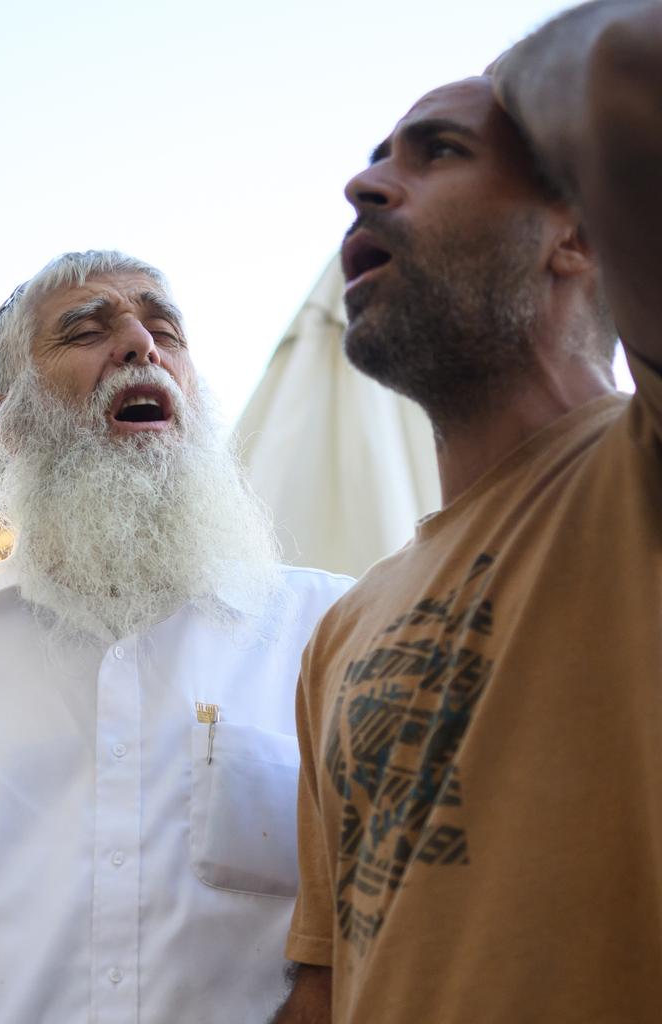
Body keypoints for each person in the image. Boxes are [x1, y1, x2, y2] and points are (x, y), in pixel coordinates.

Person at [272, 2, 662, 1021]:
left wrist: (527, 75)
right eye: (372, 158)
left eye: (438, 151)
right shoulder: (343, 630)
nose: (360, 186)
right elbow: (328, 981)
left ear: (578, 234)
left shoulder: (643, 463)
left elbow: (632, 63)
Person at [0, 250, 352, 1023]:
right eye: (84, 330)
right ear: (8, 421)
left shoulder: (331, 633)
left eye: (164, 327)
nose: (142, 344)